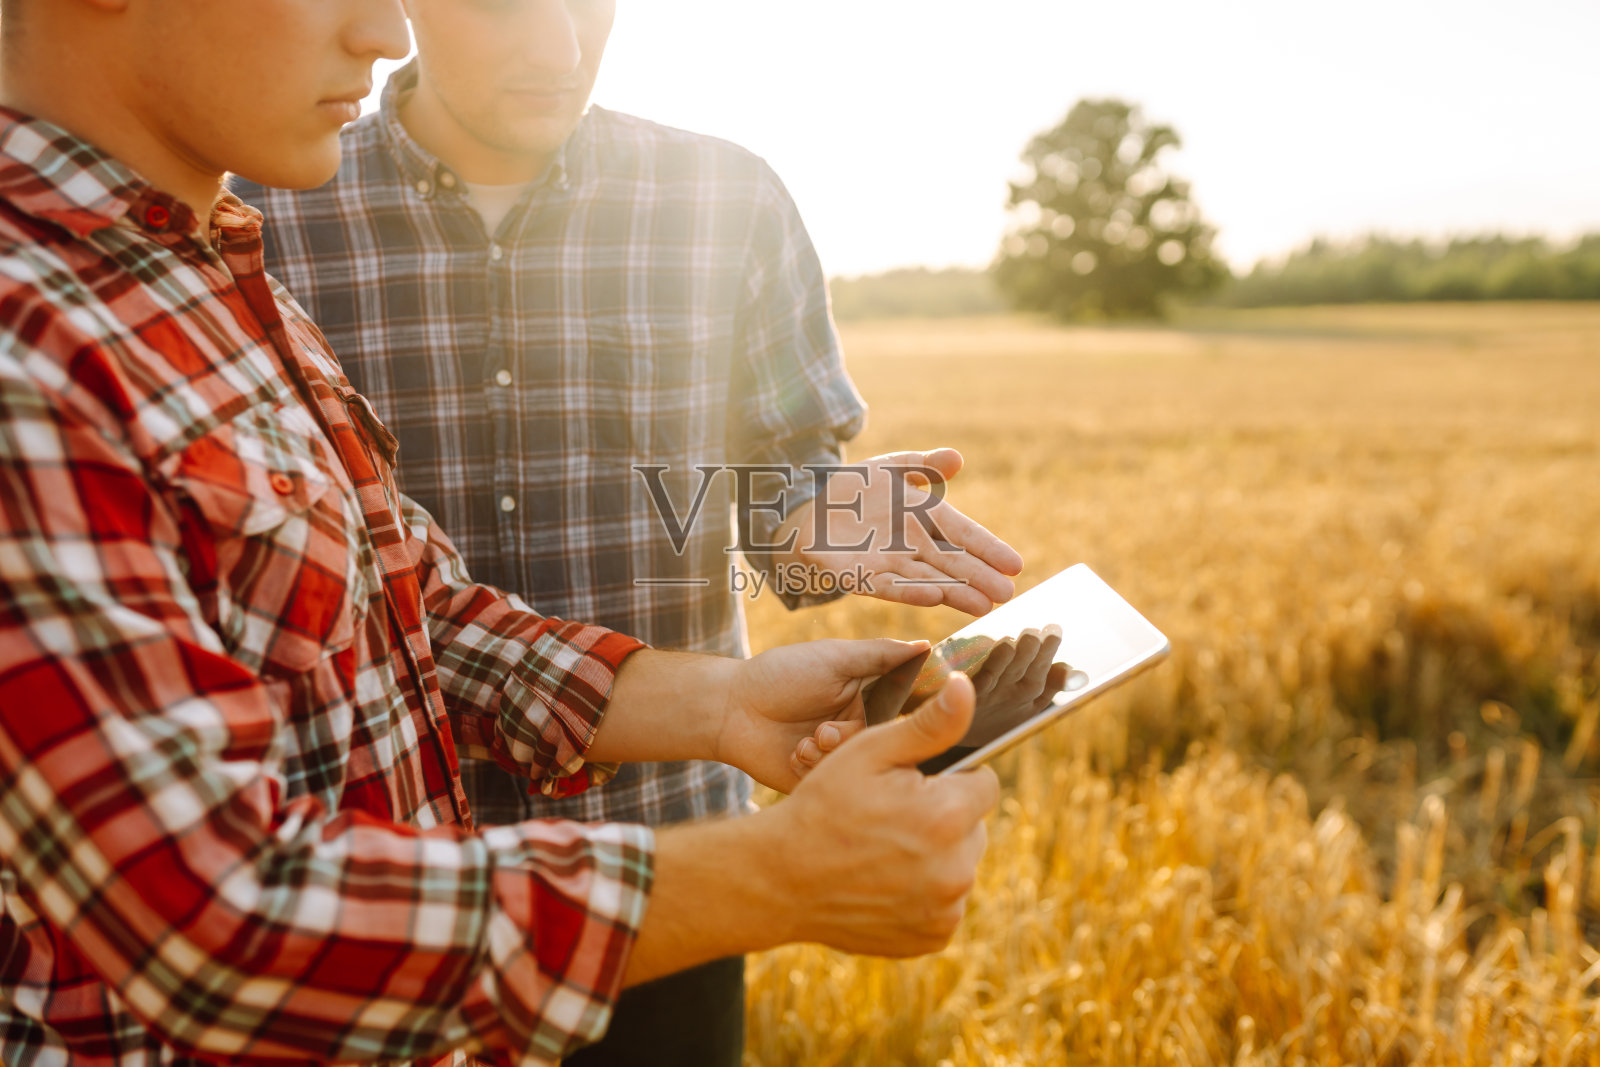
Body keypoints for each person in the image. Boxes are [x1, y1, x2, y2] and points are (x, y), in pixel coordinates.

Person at [0, 1, 1000, 1064]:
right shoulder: (71, 319)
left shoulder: (201, 253)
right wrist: (776, 874)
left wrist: (728, 689)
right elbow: (210, 912)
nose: (379, 30)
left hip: (641, 843)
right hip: (387, 948)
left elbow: (405, 605)